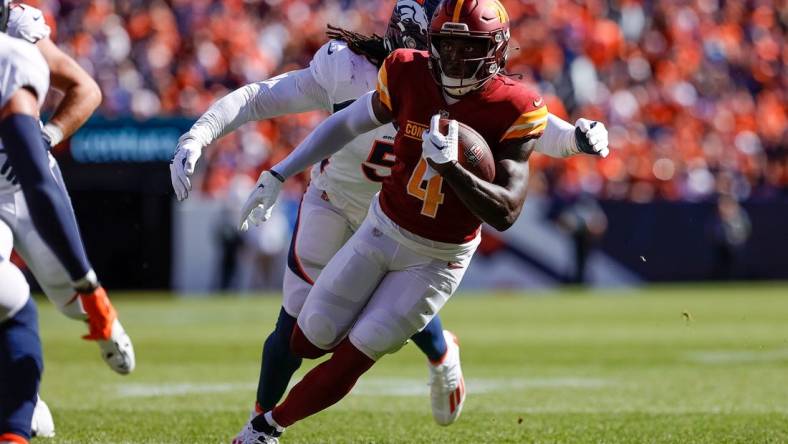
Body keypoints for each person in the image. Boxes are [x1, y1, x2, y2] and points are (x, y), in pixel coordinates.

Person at [235, 0, 609, 441]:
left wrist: (457, 169)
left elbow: (507, 211)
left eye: (465, 47)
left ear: (495, 49)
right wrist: (281, 170)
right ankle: (428, 339)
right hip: (381, 225)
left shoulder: (514, 104)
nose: (452, 58)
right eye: (445, 45)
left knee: (361, 348)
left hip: (438, 257)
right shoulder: (408, 71)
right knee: (308, 336)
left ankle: (266, 429)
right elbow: (346, 124)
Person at [0, 2, 135, 442]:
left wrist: (46, 136)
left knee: (71, 300)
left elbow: (86, 89)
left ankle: (102, 317)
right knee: (6, 295)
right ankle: (19, 405)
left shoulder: (17, 44)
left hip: (22, 179)